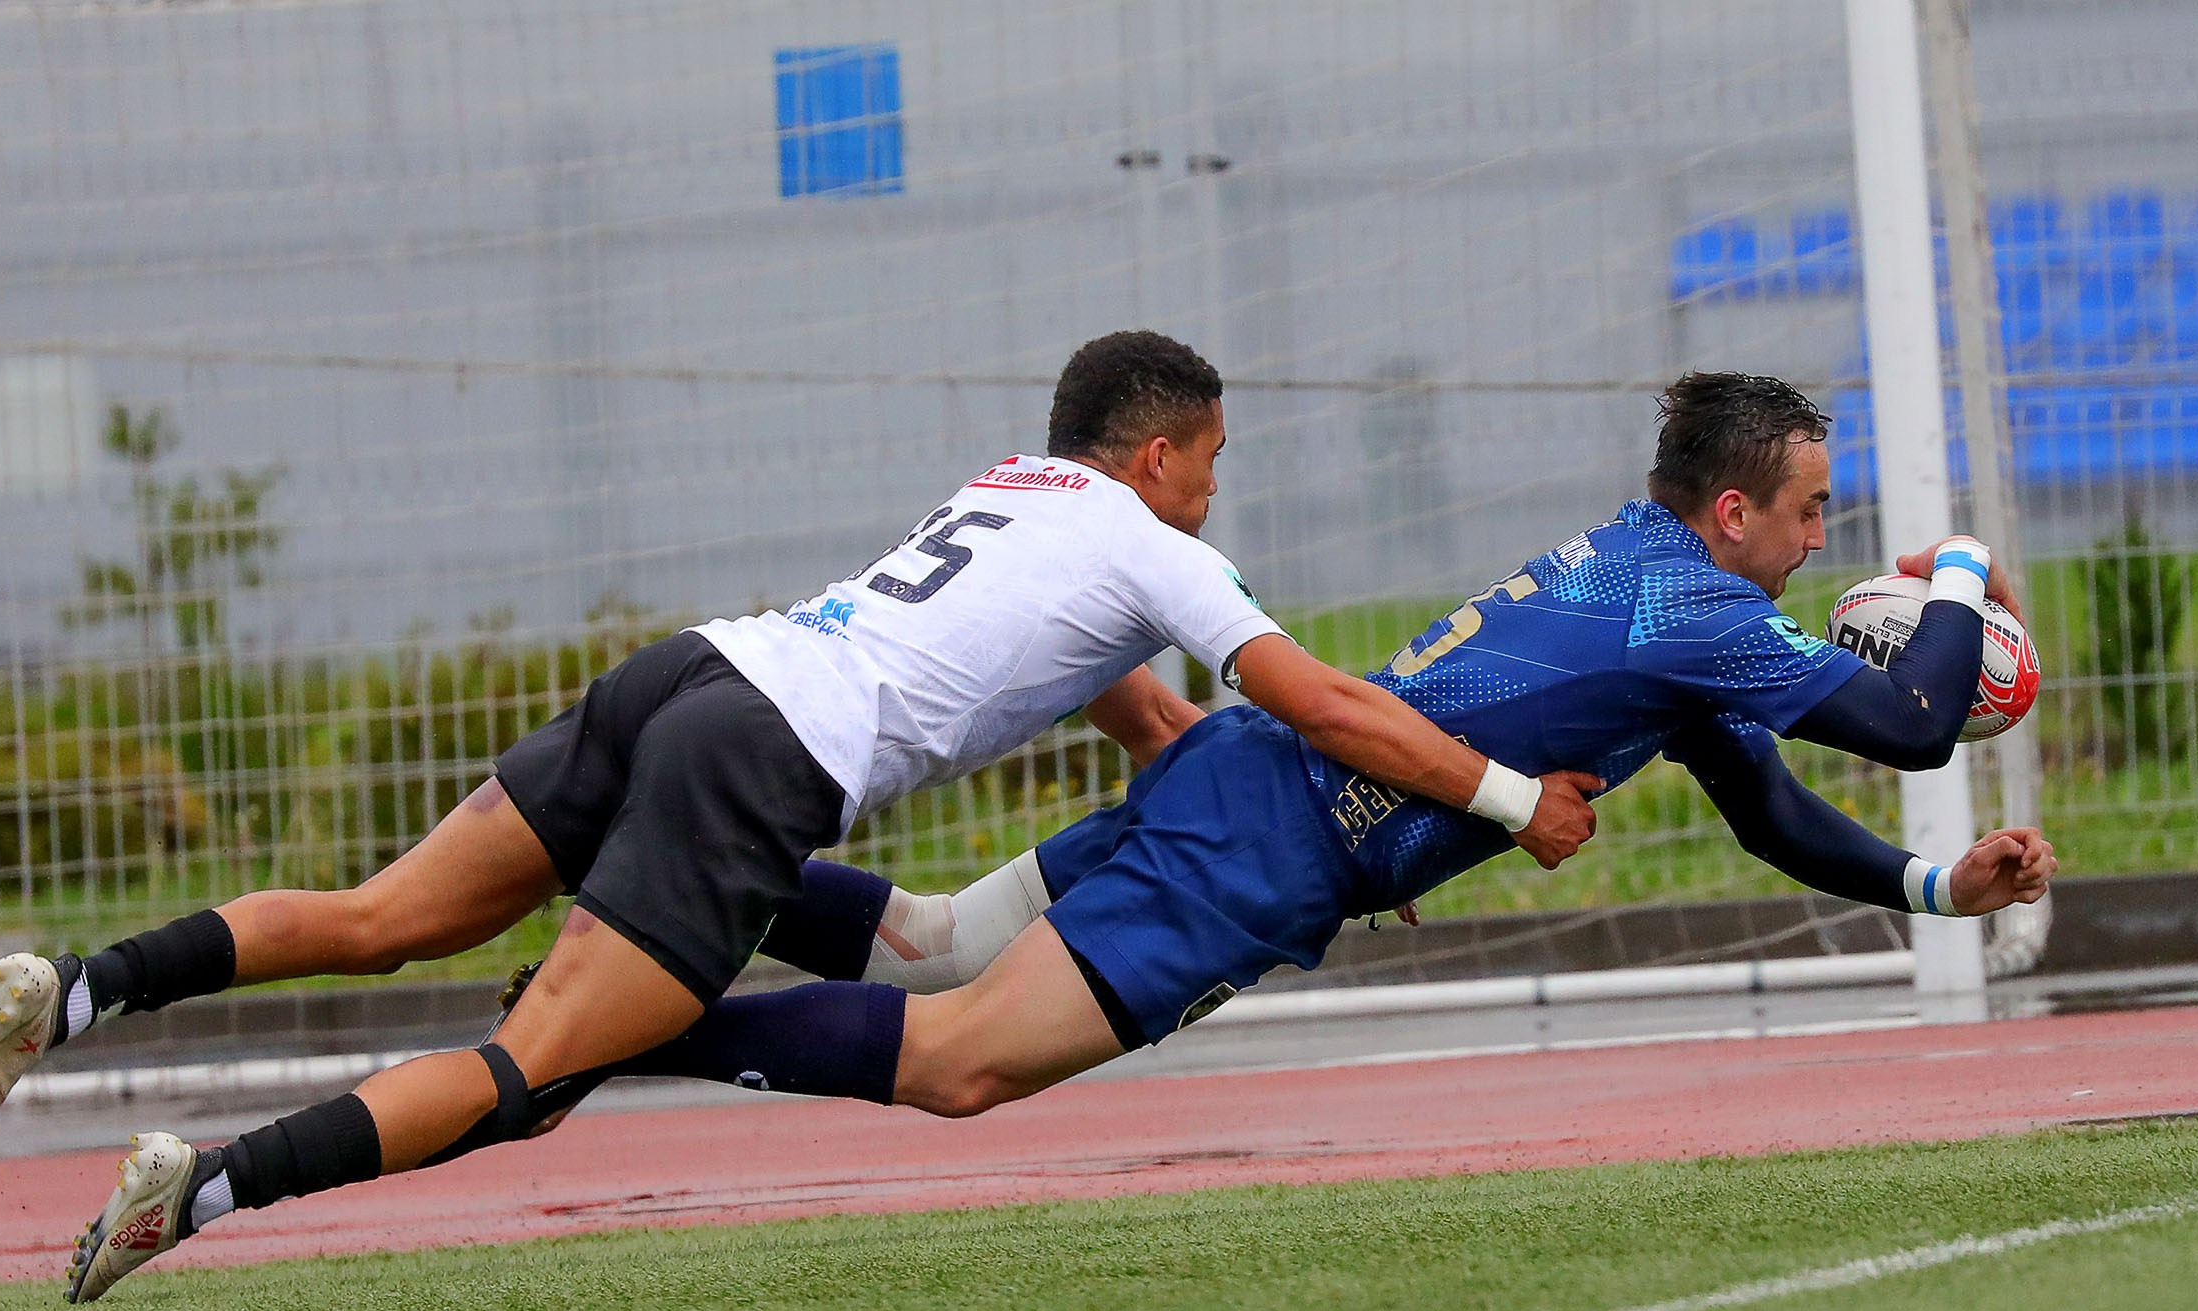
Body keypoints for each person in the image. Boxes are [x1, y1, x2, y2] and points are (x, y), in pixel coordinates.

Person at [0, 329, 1600, 1302]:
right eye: (1212, 460)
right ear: (1159, 453)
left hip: (690, 674)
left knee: (388, 914)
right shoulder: (1161, 548)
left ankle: (79, 986)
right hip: (760, 765)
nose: (1217, 491)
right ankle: (203, 1188)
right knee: (533, 1077)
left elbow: (1134, 707)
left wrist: (1237, 794)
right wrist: (1511, 800)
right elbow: (1314, 700)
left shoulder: (1013, 497)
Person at [457, 371, 2058, 1132]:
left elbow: (1767, 806)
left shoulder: (1657, 576)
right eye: (1810, 507)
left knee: (939, 949)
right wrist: (1960, 575)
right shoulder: (1705, 612)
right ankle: (609, 1033)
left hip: (1239, 778)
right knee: (957, 1066)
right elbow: (1920, 712)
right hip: (1271, 847)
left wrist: (1934, 884)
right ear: (1732, 514)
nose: (1826, 527)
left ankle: (618, 876)